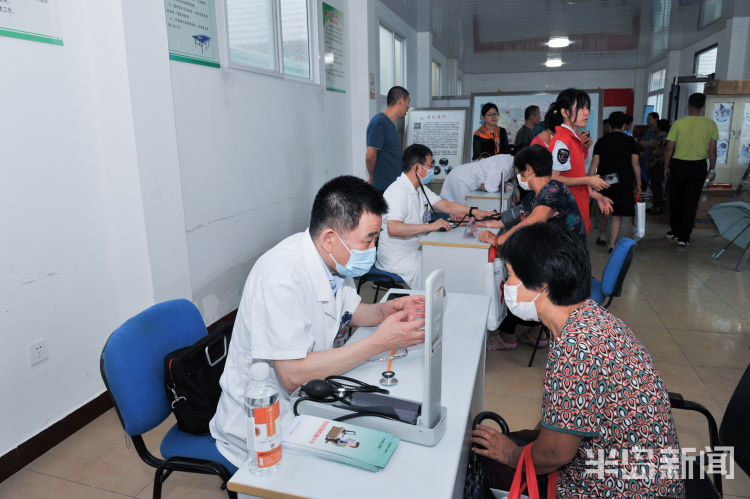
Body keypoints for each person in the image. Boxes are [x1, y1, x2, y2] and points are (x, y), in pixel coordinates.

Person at [210, 176, 426, 467]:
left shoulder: (334, 261)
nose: (373, 248)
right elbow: (292, 374)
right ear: (329, 238)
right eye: (369, 238)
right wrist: (380, 342)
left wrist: (388, 309)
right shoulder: (280, 277)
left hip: (307, 398)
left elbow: (352, 312)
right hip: (264, 423)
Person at [471, 223, 685, 498]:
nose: (506, 286)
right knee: (514, 440)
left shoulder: (574, 348)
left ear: (543, 284)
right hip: (644, 475)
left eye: (510, 277)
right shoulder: (591, 318)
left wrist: (512, 454)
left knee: (482, 464)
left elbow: (555, 453)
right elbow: (568, 413)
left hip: (617, 488)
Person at [477, 145, 586, 350]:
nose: (519, 177)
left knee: (517, 274)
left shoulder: (554, 190)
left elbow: (536, 219)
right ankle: (537, 332)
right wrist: (484, 221)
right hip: (559, 257)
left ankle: (507, 336)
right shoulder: (540, 193)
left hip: (567, 266)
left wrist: (499, 240)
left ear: (528, 170)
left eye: (519, 173)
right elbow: (515, 215)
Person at [376, 144, 494, 289]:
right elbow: (393, 228)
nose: (432, 168)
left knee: (442, 261)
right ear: (417, 167)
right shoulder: (397, 191)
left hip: (415, 248)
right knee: (431, 271)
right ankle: (429, 307)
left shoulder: (419, 188)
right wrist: (431, 226)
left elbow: (445, 205)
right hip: (396, 256)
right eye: (430, 165)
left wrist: (473, 211)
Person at [548, 88, 612, 232]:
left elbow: (573, 176)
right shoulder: (563, 142)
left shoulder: (573, 140)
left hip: (576, 209)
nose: (587, 112)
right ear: (565, 112)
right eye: (581, 108)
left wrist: (596, 195)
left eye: (587, 107)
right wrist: (588, 180)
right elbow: (554, 179)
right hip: (567, 214)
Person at [664, 92, 718, 246]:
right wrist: (712, 169)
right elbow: (712, 150)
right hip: (698, 167)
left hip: (678, 165)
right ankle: (683, 237)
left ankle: (675, 231)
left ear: (688, 104)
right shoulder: (710, 124)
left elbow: (669, 148)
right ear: (703, 106)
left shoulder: (678, 123)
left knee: (676, 200)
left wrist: (666, 166)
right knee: (691, 202)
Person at [588, 111, 641, 252]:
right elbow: (635, 164)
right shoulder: (631, 142)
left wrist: (589, 181)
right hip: (624, 179)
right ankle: (612, 244)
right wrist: (639, 184)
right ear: (624, 125)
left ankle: (603, 236)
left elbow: (594, 163)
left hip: (606, 179)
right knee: (617, 213)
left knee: (605, 207)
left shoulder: (601, 141)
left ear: (609, 125)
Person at [366, 86, 410, 191]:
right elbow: (370, 155)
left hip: (392, 186)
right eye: (408, 102)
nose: (408, 107)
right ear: (401, 101)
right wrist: (372, 177)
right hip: (383, 188)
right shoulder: (380, 122)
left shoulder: (389, 124)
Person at [439, 154, 514, 204]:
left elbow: (487, 185)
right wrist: (503, 188)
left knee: (458, 210)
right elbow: (490, 188)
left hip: (461, 174)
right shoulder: (504, 165)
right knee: (461, 212)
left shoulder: (507, 159)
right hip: (462, 178)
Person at [646, 119, 671, 215]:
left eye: (656, 125)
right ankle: (657, 205)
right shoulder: (664, 134)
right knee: (656, 185)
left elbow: (658, 150)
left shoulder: (662, 135)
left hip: (657, 164)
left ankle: (657, 207)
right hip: (658, 164)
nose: (654, 126)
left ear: (659, 126)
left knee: (656, 185)